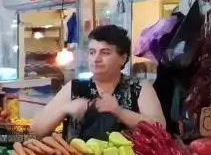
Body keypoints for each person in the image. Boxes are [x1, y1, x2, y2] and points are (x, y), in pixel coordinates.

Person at [30, 25, 165, 140]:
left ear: (123, 58)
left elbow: (161, 130)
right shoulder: (75, 88)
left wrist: (119, 112)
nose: (96, 59)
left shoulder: (139, 88)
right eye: (92, 52)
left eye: (105, 53)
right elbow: (35, 131)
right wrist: (64, 109)